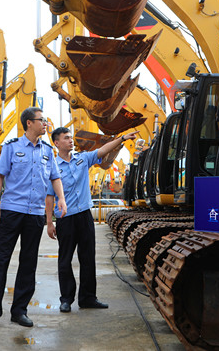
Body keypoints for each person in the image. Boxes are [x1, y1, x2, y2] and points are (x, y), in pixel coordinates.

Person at [0, 107, 67, 329]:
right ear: (29, 123)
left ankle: (19, 311)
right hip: (11, 211)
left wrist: (61, 198)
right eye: (42, 120)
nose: (46, 124)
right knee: (1, 259)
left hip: (35, 213)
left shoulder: (48, 150)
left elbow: (55, 176)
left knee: (28, 262)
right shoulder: (11, 147)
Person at [45, 128, 137, 313]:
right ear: (56, 143)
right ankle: (66, 299)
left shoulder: (82, 158)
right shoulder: (52, 167)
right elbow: (49, 197)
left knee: (88, 258)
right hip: (65, 218)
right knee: (65, 260)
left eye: (71, 137)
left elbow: (103, 151)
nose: (71, 141)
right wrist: (49, 222)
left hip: (85, 215)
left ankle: (88, 298)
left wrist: (121, 138)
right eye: (66, 138)